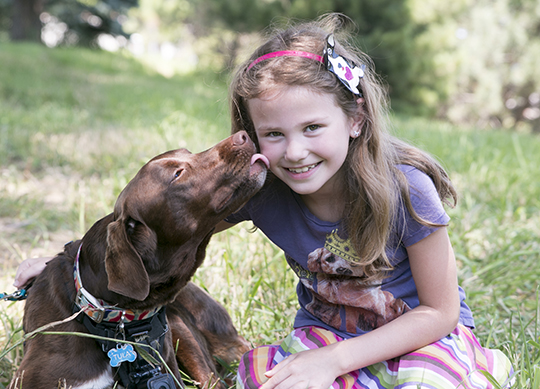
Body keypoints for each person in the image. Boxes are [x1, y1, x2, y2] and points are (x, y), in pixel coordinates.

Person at [15, 14, 513, 389]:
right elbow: (161, 222)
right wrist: (67, 264)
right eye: (273, 133)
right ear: (252, 134)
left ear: (356, 119)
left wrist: (335, 363)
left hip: (420, 337)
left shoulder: (406, 190)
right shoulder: (264, 189)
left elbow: (441, 312)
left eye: (313, 128)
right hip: (325, 334)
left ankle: (483, 364)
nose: (294, 153)